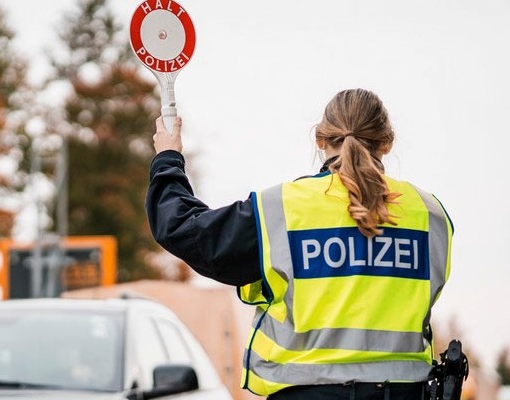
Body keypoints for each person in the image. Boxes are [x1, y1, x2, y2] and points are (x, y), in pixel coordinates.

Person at [146, 88, 453, 400]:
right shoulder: (430, 215)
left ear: (320, 140)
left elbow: (183, 228)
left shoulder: (282, 209)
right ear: (387, 142)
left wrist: (168, 158)